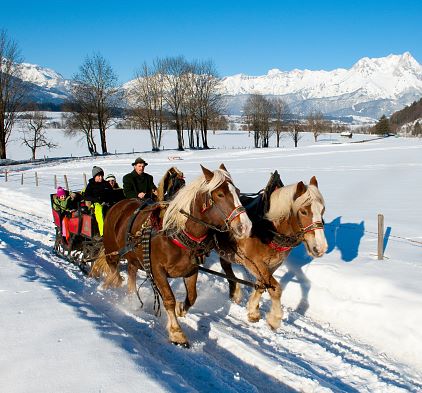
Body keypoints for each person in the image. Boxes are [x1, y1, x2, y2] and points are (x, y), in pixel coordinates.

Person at [84, 166, 114, 236]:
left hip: (107, 203)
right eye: (99, 176)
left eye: (102, 176)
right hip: (96, 204)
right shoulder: (91, 185)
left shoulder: (106, 184)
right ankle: (103, 233)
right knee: (100, 211)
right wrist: (96, 200)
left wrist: (109, 201)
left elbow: (111, 193)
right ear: (94, 176)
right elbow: (86, 196)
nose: (101, 177)